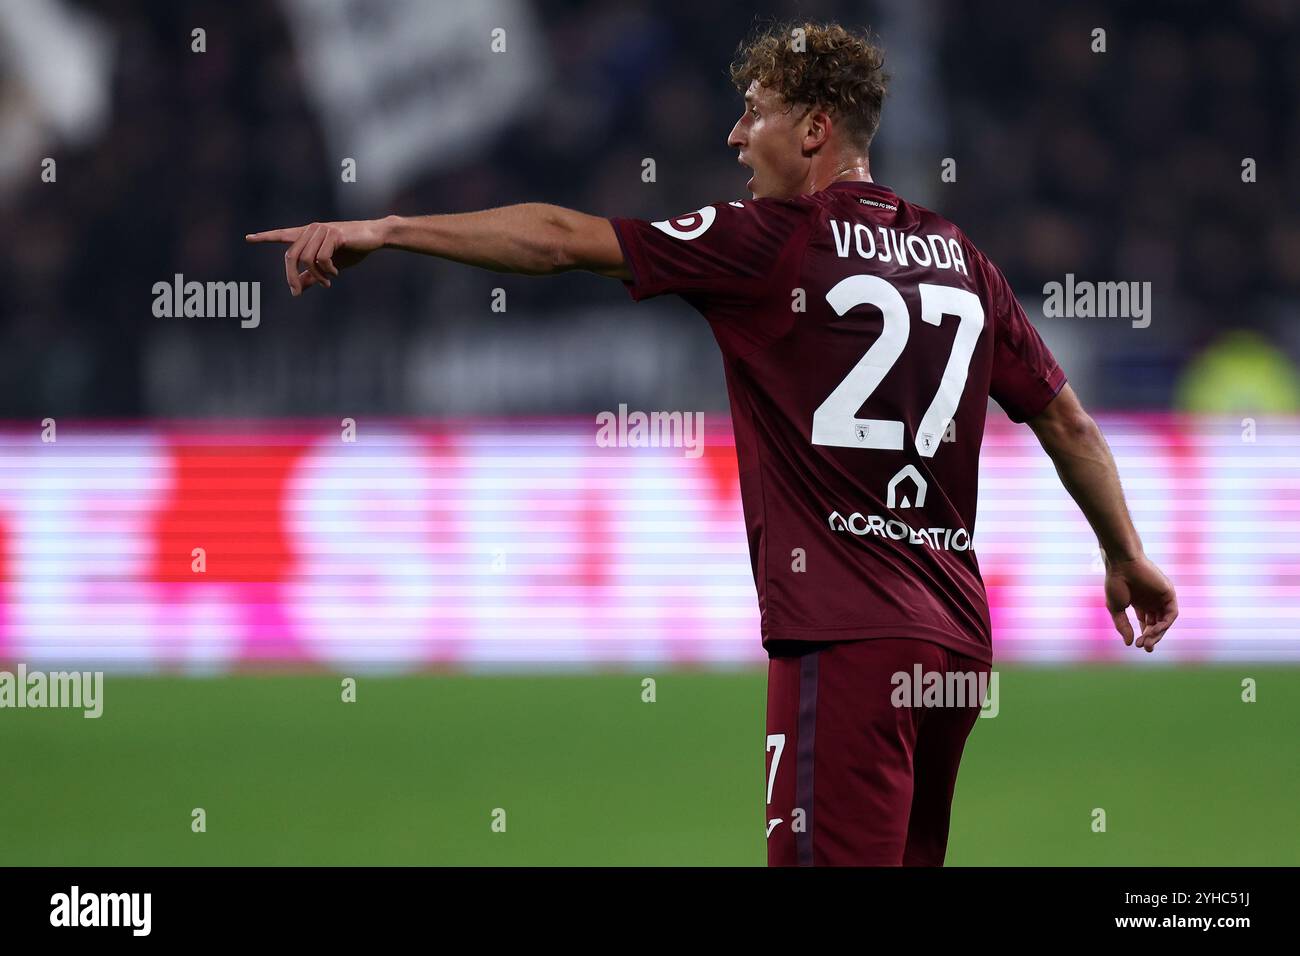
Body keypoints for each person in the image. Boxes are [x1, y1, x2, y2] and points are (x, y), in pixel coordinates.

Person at [247, 20, 1178, 866]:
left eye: (756, 113)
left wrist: (393, 227)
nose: (735, 136)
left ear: (814, 130)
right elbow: (1066, 420)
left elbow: (563, 239)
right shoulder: (962, 257)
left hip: (846, 638)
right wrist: (1125, 554)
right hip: (954, 649)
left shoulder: (769, 240)